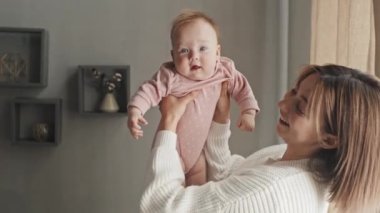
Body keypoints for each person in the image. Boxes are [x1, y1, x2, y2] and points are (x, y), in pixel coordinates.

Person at [139, 64, 380, 213]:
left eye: (301, 107)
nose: (283, 104)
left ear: (330, 139)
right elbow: (229, 175)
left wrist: (168, 124)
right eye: (294, 91)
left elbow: (161, 207)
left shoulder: (270, 189)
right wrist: (220, 120)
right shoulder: (289, 159)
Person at [127, 10, 259, 186]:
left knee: (196, 195)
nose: (194, 56)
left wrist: (248, 111)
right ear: (173, 56)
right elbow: (149, 90)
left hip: (198, 154)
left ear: (218, 53)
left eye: (203, 48)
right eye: (184, 50)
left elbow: (243, 88)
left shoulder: (224, 70)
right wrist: (135, 110)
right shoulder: (171, 76)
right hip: (172, 149)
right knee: (168, 187)